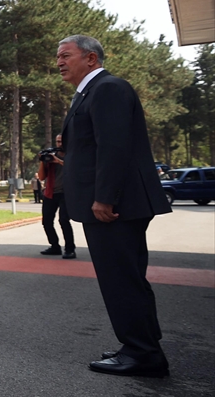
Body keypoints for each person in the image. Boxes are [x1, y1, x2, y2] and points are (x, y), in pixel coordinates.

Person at [58, 34, 171, 378]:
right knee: (125, 277)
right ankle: (140, 345)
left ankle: (143, 354)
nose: (59, 62)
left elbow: (115, 147)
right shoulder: (90, 93)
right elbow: (98, 142)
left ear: (91, 59)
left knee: (120, 279)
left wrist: (104, 197)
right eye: (57, 58)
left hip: (113, 206)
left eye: (66, 55)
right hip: (112, 203)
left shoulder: (107, 88)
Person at [36, 134, 76, 259]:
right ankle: (55, 246)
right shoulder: (50, 155)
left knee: (63, 220)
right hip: (50, 193)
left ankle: (70, 249)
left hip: (66, 193)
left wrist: (57, 161)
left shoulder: (72, 155)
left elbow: (75, 169)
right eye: (57, 141)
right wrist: (43, 161)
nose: (59, 144)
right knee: (46, 221)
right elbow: (42, 177)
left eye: (61, 142)